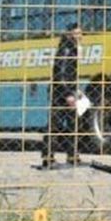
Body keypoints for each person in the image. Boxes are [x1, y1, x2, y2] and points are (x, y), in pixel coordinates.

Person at [43, 24, 84, 168]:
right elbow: (60, 74)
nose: (80, 36)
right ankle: (49, 157)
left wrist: (76, 90)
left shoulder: (71, 48)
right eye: (77, 33)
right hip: (61, 93)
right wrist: (68, 94)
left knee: (72, 124)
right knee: (56, 126)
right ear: (70, 34)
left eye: (81, 33)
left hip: (65, 90)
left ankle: (72, 156)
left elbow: (70, 73)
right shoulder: (67, 49)